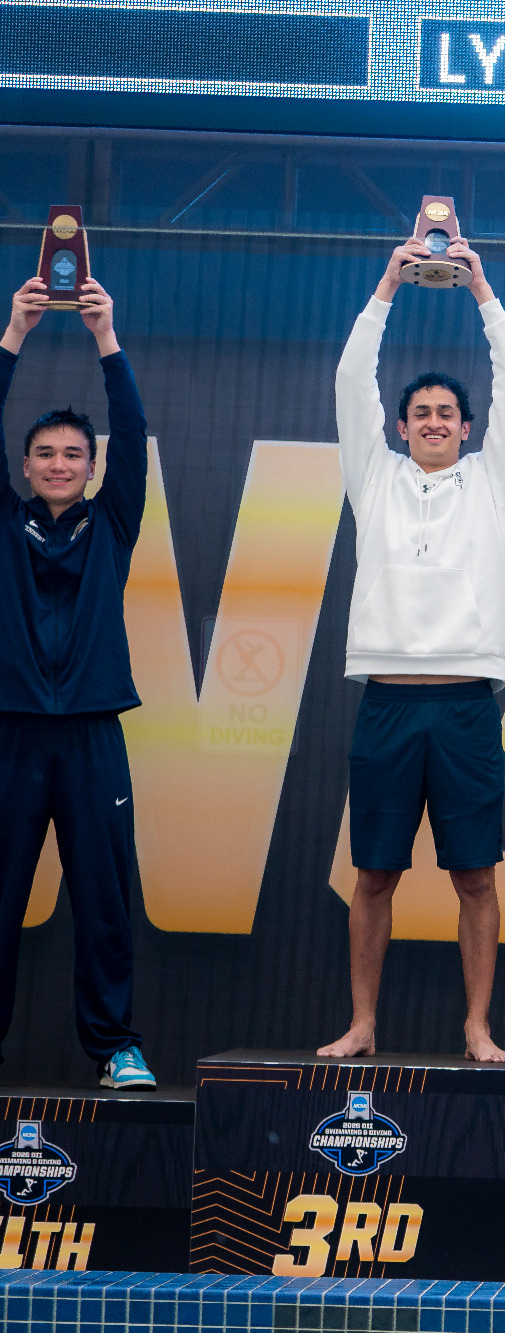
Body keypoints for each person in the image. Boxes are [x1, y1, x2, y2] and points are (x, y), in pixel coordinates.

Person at [318, 236, 505, 1064]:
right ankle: (363, 1023)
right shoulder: (371, 477)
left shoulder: (492, 482)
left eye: (449, 413)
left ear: (468, 428)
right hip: (387, 700)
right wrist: (387, 284)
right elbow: (350, 379)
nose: (435, 422)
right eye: (422, 414)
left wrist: (481, 291)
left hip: (466, 704)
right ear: (401, 428)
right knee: (373, 876)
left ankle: (477, 1027)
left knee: (475, 877)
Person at [0, 275, 155, 1088]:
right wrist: (13, 334)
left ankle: (114, 1045)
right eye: (46, 453)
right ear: (25, 465)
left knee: (102, 898)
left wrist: (107, 339)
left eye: (74, 455)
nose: (60, 464)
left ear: (91, 468)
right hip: (11, 728)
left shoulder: (111, 523)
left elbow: (130, 431)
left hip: (94, 732)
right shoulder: (6, 520)